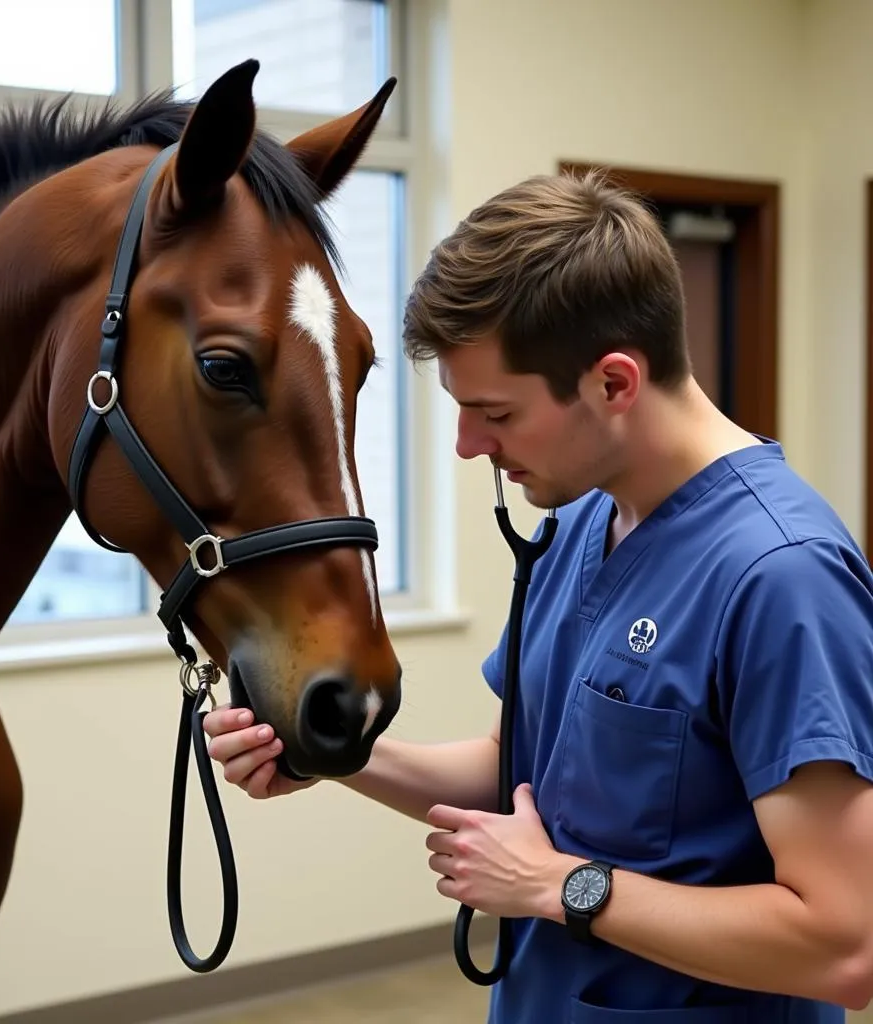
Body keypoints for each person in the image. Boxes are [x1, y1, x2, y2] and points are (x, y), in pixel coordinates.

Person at [203, 169, 873, 1021]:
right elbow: (520, 773)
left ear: (614, 383)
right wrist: (334, 750)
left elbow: (847, 944)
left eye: (496, 414)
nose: (465, 444)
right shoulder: (578, 520)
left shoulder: (783, 577)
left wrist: (565, 887)